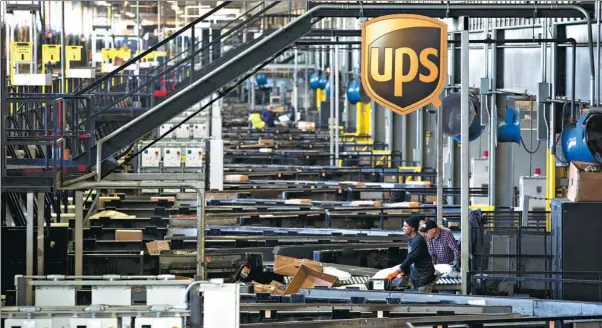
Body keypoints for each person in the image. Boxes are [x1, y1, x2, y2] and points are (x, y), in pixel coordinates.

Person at [387, 216, 437, 293]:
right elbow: (412, 258)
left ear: (413, 228)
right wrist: (404, 272)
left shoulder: (418, 240)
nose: (403, 228)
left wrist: (397, 272)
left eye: (406, 226)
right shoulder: (411, 239)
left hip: (423, 277)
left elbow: (411, 257)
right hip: (416, 276)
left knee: (421, 302)